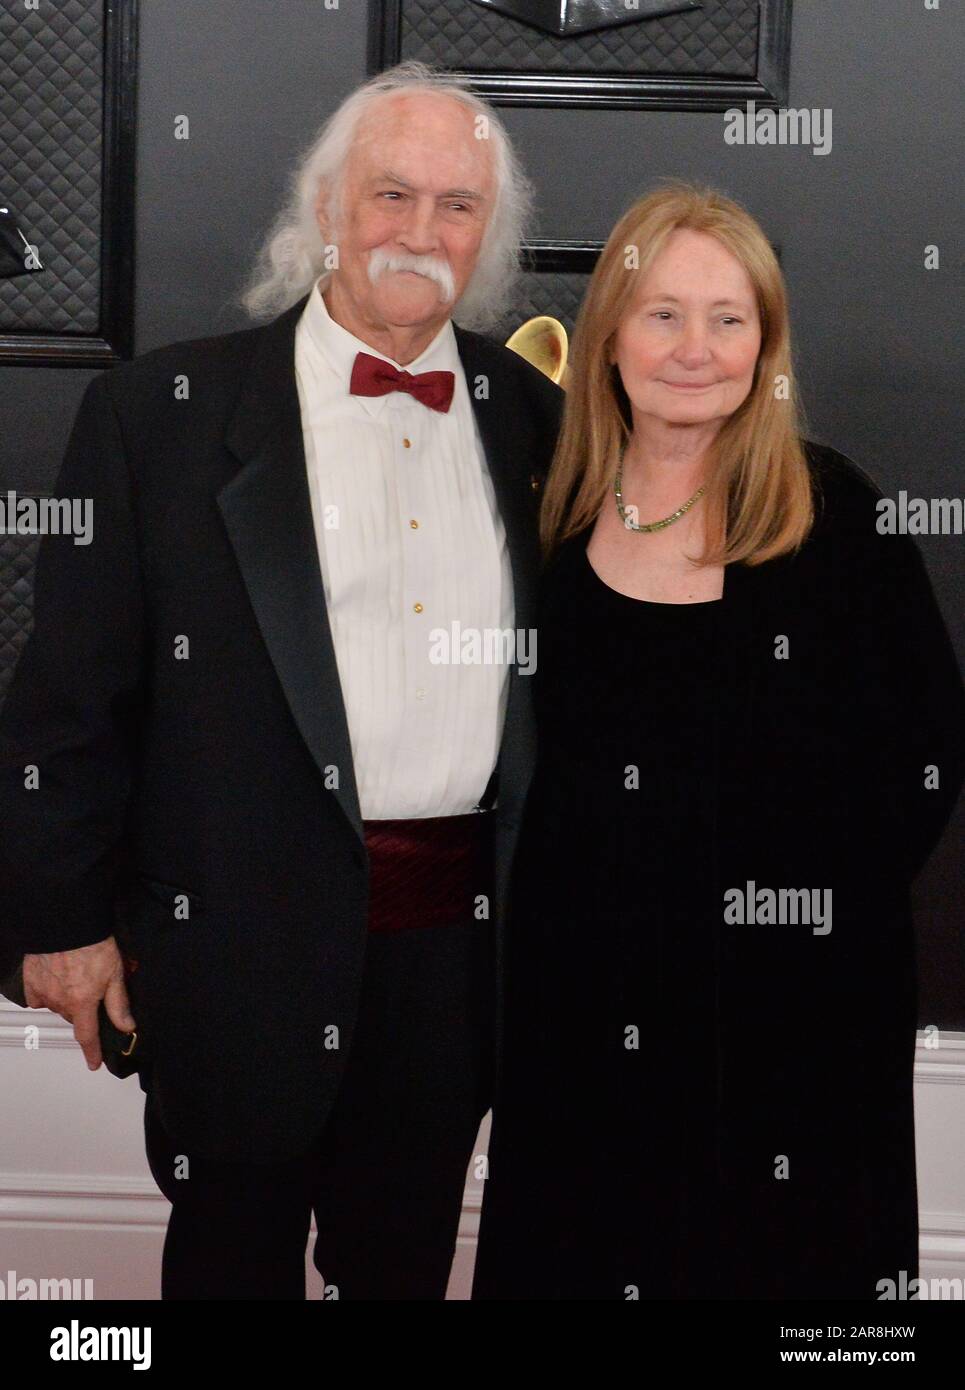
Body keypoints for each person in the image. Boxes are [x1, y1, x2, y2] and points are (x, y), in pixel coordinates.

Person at [0, 60, 562, 1300]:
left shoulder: (536, 420)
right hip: (230, 946)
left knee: (402, 1268)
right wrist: (61, 918)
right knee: (226, 1270)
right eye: (390, 194)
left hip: (452, 964)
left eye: (457, 206)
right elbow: (71, 694)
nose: (420, 232)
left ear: (491, 235)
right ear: (322, 208)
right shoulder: (162, 414)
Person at [471, 182, 965, 1301]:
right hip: (582, 1023)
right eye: (662, 314)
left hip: (793, 1033)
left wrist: (781, 914)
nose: (694, 349)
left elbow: (923, 759)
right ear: (607, 336)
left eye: (727, 319)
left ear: (765, 344)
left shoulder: (839, 520)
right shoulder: (539, 519)